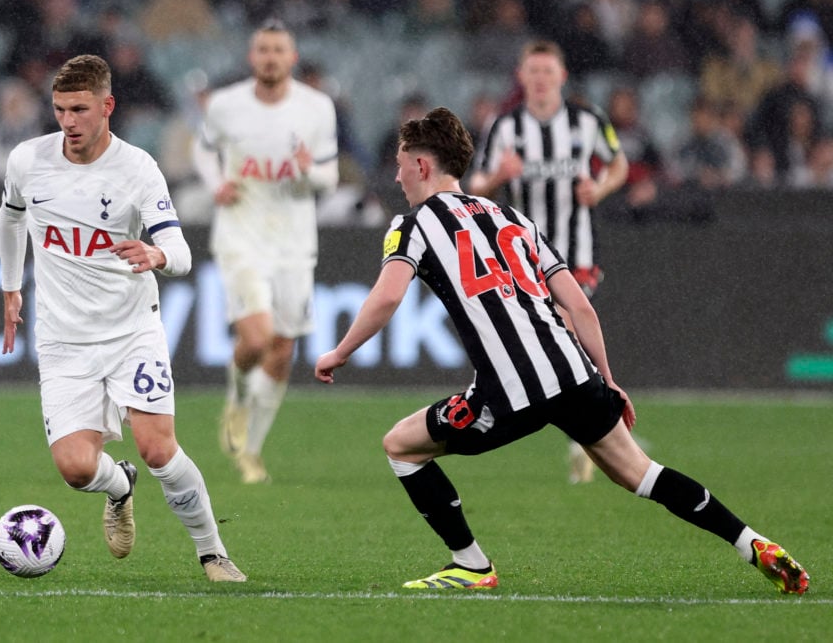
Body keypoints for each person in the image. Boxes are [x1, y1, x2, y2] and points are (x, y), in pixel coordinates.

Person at [314, 106, 810, 595]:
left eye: (402, 161)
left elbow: (388, 296)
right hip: (576, 374)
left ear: (422, 165)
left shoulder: (413, 225)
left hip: (507, 394)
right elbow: (580, 307)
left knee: (400, 446)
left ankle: (470, 564)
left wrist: (340, 351)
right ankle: (750, 541)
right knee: (642, 473)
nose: (397, 174)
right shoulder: (515, 219)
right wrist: (608, 379)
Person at [0, 54, 245, 582]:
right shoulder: (27, 161)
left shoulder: (137, 169)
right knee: (75, 468)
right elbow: (11, 216)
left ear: (107, 106)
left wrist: (158, 256)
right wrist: (11, 286)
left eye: (80, 109)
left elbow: (180, 249)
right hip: (64, 341)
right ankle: (119, 486)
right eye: (60, 109)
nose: (68, 122)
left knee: (158, 447)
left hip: (132, 330)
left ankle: (212, 552)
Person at [469, 40, 629, 483]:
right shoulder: (504, 126)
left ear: (562, 76)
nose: (540, 78)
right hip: (520, 259)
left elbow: (618, 164)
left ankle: (589, 438)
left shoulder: (588, 120)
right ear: (521, 77)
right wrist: (499, 177)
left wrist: (599, 188)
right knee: (553, 343)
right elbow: (476, 184)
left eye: (548, 71)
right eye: (532, 71)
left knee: (566, 327)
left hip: (575, 254)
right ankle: (587, 428)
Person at [192, 19, 338, 484]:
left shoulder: (317, 108)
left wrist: (306, 173)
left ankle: (250, 452)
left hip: (294, 241)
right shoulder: (225, 105)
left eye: (278, 50)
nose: (270, 57)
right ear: (251, 57)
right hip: (240, 236)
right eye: (262, 50)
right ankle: (236, 399)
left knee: (281, 350)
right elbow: (202, 149)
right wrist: (217, 184)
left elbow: (329, 178)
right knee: (256, 338)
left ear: (292, 58)